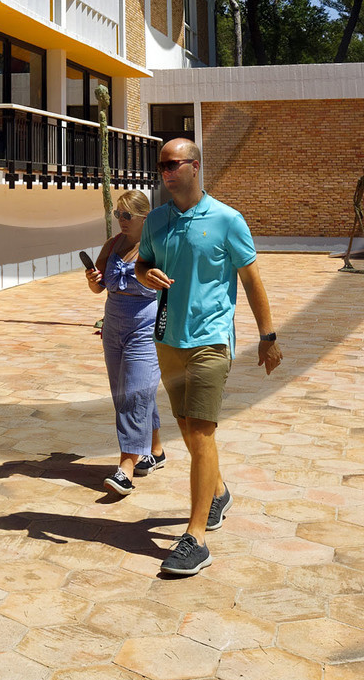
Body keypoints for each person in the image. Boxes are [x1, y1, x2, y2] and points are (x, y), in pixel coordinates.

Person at [134, 137, 280, 578]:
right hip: (168, 340)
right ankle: (217, 490)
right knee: (187, 428)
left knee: (200, 433)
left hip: (210, 341)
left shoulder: (226, 219)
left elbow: (251, 280)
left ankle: (195, 537)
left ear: (195, 167)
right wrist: (146, 274)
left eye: (173, 164)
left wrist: (267, 336)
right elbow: (141, 264)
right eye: (161, 165)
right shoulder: (156, 221)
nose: (165, 172)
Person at [83, 190, 166, 496]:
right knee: (129, 391)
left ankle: (126, 468)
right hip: (114, 324)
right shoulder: (113, 244)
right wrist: (93, 282)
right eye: (118, 214)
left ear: (146, 218)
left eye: (127, 215)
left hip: (145, 325)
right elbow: (99, 285)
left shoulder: (157, 247)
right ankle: (155, 450)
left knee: (134, 393)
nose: (121, 220)